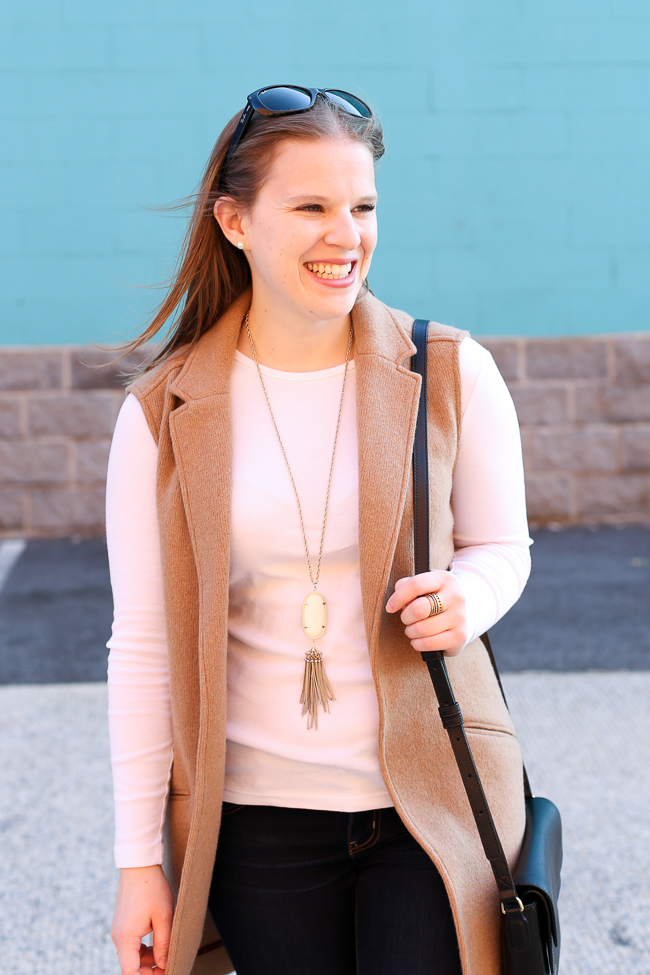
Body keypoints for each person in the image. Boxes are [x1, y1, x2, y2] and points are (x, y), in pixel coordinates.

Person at [106, 86, 531, 975]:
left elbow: (503, 547)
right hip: (256, 819)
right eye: (312, 207)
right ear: (234, 221)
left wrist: (469, 594)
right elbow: (144, 646)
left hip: (432, 798)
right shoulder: (163, 414)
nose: (348, 235)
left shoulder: (451, 372)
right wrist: (137, 859)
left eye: (363, 206)